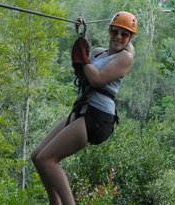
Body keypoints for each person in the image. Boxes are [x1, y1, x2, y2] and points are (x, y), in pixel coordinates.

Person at [31, 11, 138, 205]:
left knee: (48, 159)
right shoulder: (98, 52)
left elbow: (97, 79)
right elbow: (85, 74)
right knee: (37, 156)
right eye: (115, 31)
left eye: (124, 34)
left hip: (98, 116)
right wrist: (81, 51)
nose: (119, 37)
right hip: (83, 108)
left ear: (130, 37)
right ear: (110, 31)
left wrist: (83, 59)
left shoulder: (125, 58)